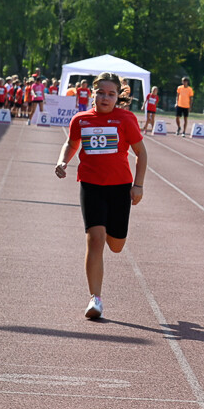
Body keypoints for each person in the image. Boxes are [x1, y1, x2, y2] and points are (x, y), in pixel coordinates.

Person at [54, 71, 148, 319]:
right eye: (101, 93)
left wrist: (138, 186)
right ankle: (94, 299)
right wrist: (63, 161)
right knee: (95, 240)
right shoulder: (81, 119)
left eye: (111, 94)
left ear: (118, 97)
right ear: (92, 93)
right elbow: (72, 143)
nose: (105, 98)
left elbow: (141, 153)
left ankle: (109, 230)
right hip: (91, 186)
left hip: (119, 187)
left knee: (115, 246)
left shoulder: (126, 119)